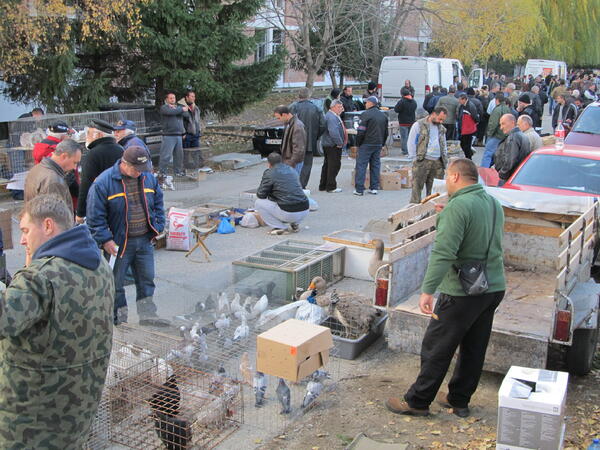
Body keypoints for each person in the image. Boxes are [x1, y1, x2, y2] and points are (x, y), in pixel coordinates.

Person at [385, 158, 505, 418]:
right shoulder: (493, 203)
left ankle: (417, 401)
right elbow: (482, 237)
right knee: (474, 347)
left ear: (454, 177)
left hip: (462, 291)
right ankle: (458, 400)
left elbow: (444, 252)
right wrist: (445, 218)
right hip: (493, 287)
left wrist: (427, 290)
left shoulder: (458, 206)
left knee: (437, 346)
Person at [1, 194, 114, 446]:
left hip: (31, 422)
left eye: (26, 230)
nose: (22, 240)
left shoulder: (40, 278)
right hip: (78, 411)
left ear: (48, 226)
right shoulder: (99, 266)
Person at [86, 146, 166, 326]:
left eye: (142, 170)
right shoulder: (103, 183)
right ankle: (119, 320)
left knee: (147, 280)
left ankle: (148, 316)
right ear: (124, 163)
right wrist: (105, 240)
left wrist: (159, 225)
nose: (139, 173)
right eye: (136, 170)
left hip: (144, 241)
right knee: (116, 284)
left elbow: (159, 203)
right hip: (118, 244)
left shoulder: (148, 178)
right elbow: (94, 217)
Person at [76, 119, 123, 223]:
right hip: (121, 202)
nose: (86, 137)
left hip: (99, 205)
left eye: (88, 133)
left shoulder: (92, 155)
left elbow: (86, 184)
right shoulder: (121, 149)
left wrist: (80, 213)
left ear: (99, 135)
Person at [255, 152, 309, 235]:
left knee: (259, 202)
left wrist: (271, 193)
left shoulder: (269, 172)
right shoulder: (291, 169)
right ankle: (295, 224)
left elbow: (261, 194)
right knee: (292, 199)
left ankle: (280, 227)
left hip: (289, 212)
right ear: (281, 161)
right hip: (304, 209)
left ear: (268, 163)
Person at [24, 138, 82, 212]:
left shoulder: (38, 168)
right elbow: (54, 215)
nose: (75, 167)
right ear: (64, 156)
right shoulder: (53, 180)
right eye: (75, 162)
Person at [407, 106, 448, 204]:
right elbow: (411, 142)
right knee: (416, 190)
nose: (441, 121)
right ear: (433, 114)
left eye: (443, 120)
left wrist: (445, 161)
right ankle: (413, 214)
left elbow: (444, 144)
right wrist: (414, 159)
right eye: (440, 119)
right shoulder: (419, 125)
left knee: (434, 192)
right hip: (422, 161)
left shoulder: (441, 128)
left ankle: (430, 215)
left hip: (438, 163)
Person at [290, 88, 325, 188]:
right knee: (307, 165)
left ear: (299, 95)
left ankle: (294, 185)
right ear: (309, 95)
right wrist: (316, 136)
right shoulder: (316, 108)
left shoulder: (293, 107)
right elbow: (323, 125)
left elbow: (286, 122)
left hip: (295, 141)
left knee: (294, 163)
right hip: (309, 141)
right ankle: (302, 186)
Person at [354, 96, 388, 196]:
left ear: (371, 103)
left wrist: (358, 143)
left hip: (366, 143)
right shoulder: (383, 116)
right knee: (375, 165)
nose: (365, 104)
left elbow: (361, 131)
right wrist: (382, 143)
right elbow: (386, 132)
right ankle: (374, 187)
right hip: (378, 143)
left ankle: (359, 189)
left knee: (361, 165)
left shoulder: (365, 114)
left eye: (366, 102)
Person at [494, 114, 531, 184]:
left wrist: (501, 174)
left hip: (509, 177)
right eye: (500, 124)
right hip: (516, 176)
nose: (501, 127)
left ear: (512, 123)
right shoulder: (521, 135)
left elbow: (510, 160)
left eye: (503, 124)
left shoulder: (513, 137)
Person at [319, 99, 346, 193]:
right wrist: (339, 143)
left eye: (341, 107)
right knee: (333, 165)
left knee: (327, 165)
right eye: (339, 107)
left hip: (329, 144)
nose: (341, 109)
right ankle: (331, 186)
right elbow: (333, 132)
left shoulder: (333, 115)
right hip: (332, 145)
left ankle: (323, 185)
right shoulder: (331, 117)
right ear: (332, 107)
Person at [159, 91, 188, 177]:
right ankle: (162, 172)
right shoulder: (164, 108)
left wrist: (179, 109)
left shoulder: (177, 108)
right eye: (171, 98)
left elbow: (186, 115)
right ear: (167, 99)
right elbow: (170, 112)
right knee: (166, 155)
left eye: (174, 98)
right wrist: (179, 109)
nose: (173, 99)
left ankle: (178, 171)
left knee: (179, 155)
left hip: (178, 135)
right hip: (168, 135)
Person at [273, 105, 306, 175]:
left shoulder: (297, 126)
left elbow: (299, 149)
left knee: (292, 184)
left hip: (294, 163)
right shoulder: (288, 124)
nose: (279, 120)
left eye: (279, 118)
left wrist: (291, 162)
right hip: (289, 161)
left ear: (284, 115)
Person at [482, 93, 510, 168]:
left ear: (497, 100)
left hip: (496, 135)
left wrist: (489, 134)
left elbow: (493, 124)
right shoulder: (507, 109)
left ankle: (484, 171)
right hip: (504, 134)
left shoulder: (497, 110)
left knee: (487, 154)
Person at [394, 87, 417, 155]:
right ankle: (411, 150)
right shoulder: (414, 101)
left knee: (404, 137)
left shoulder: (402, 101)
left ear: (402, 94)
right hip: (411, 121)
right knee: (411, 137)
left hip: (403, 122)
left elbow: (396, 109)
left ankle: (405, 151)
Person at [457, 93, 479, 160]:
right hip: (464, 128)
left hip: (468, 129)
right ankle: (469, 154)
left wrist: (474, 124)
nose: (459, 101)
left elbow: (475, 117)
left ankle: (469, 157)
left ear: (464, 99)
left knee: (466, 145)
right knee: (463, 144)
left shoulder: (470, 106)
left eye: (460, 99)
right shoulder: (462, 105)